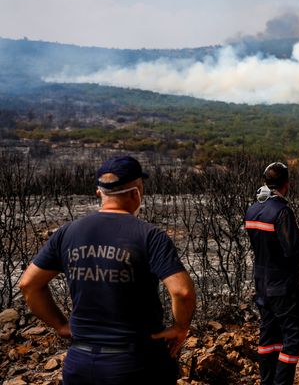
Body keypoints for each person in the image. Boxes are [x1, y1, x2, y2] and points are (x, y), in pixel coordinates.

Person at [19, 155, 196, 385]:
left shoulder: (67, 233)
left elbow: (28, 284)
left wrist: (61, 325)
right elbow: (182, 292)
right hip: (136, 363)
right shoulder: (149, 236)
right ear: (137, 192)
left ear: (99, 194)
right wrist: (180, 327)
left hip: (80, 363)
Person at [245, 161, 299, 385]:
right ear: (286, 184)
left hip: (262, 284)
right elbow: (291, 249)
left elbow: (267, 243)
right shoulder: (282, 211)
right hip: (284, 286)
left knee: (268, 337)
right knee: (293, 338)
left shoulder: (253, 210)